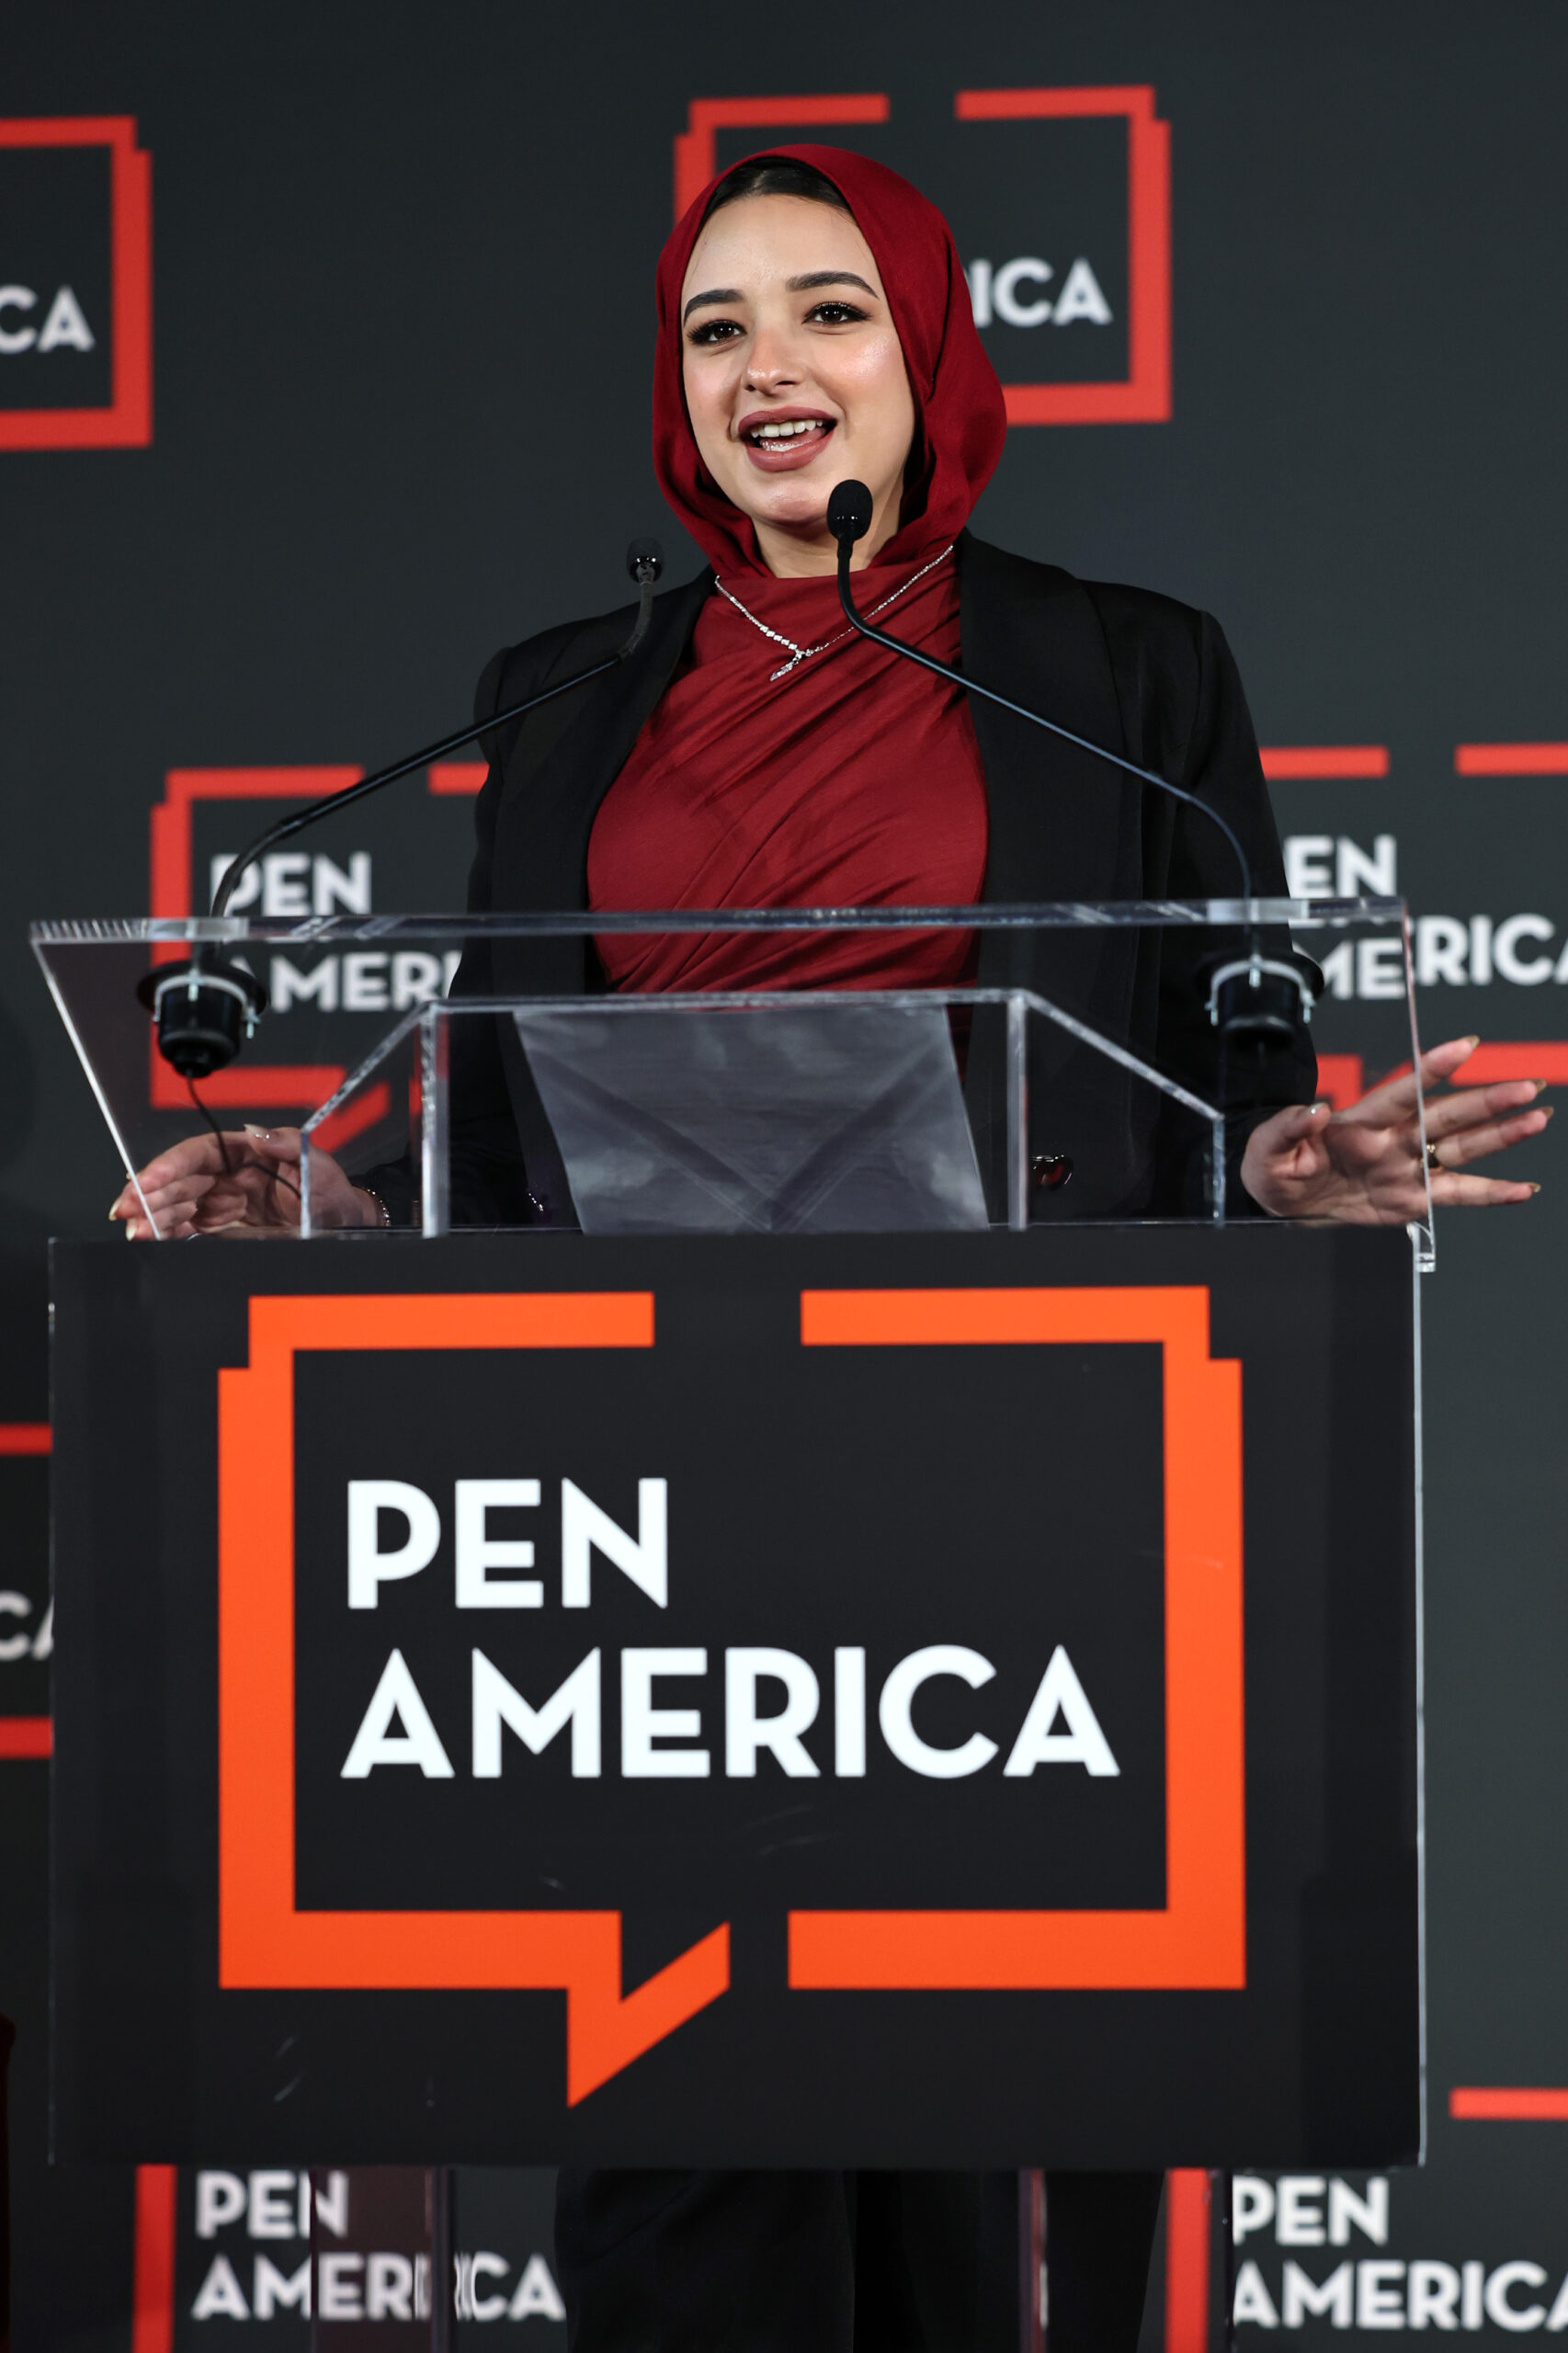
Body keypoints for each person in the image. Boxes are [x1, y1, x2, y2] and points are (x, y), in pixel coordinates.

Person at [112, 146, 1547, 2347]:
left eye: (827, 310)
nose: (766, 366)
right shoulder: (553, 701)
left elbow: (1222, 1048)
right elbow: (505, 1133)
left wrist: (1269, 1168)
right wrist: (331, 1206)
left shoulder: (1130, 675)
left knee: (979, 2150)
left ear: (929, 353)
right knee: (680, 2158)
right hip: (652, 1549)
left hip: (1017, 1531)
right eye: (715, 329)